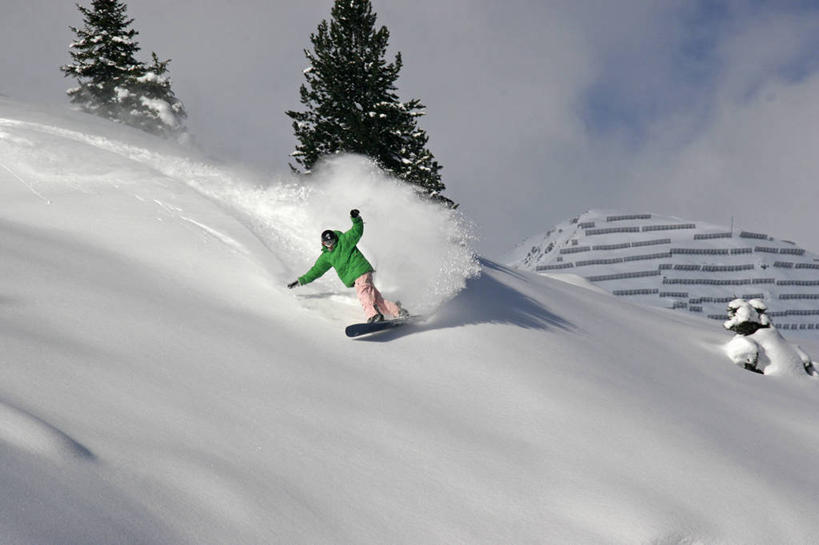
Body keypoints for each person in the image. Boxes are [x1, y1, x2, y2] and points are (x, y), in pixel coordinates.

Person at [287, 209, 409, 323]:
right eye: (328, 243)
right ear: (323, 243)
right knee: (376, 298)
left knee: (363, 294)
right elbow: (316, 271)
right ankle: (397, 311)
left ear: (335, 238)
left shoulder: (344, 240)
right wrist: (301, 281)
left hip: (360, 271)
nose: (331, 244)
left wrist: (355, 218)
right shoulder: (326, 257)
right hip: (360, 275)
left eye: (332, 241)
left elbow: (357, 230)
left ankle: (373, 315)